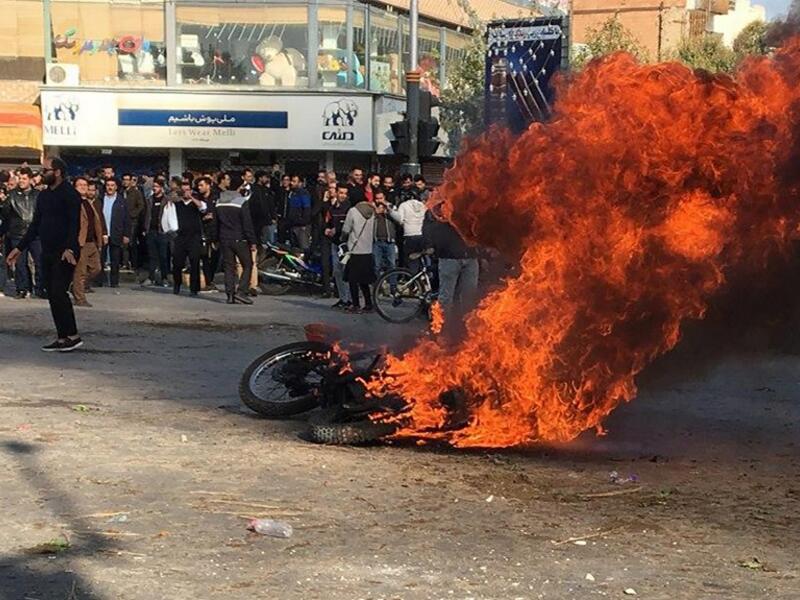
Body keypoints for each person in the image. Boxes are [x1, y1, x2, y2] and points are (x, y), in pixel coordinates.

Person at [5, 158, 83, 351]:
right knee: (51, 293)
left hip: (65, 252)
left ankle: (73, 335)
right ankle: (62, 337)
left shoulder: (69, 194)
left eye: (45, 170)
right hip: (47, 251)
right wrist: (18, 248)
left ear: (57, 172)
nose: (41, 173)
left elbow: (75, 224)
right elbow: (35, 226)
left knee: (59, 291)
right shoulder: (44, 196)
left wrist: (70, 248)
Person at [423, 201, 480, 327]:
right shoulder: (439, 209)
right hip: (449, 258)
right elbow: (429, 229)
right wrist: (432, 247)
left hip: (470, 258)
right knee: (446, 296)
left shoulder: (472, 208)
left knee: (469, 295)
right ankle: (441, 326)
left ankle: (467, 326)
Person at [0, 167, 42, 298]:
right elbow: (5, 215)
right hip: (17, 234)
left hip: (36, 234)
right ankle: (22, 289)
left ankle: (40, 288)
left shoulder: (38, 195)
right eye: (20, 178)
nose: (22, 181)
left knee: (40, 261)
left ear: (30, 179)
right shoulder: (12, 196)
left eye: (24, 178)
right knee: (20, 264)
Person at [216, 185, 257, 305]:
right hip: (239, 238)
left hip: (224, 238)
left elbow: (216, 223)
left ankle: (230, 295)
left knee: (229, 267)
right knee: (248, 264)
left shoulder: (219, 202)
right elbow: (247, 223)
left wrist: (215, 238)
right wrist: (252, 240)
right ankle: (241, 292)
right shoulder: (241, 202)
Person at [71, 177, 104, 307]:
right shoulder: (73, 202)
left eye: (85, 185)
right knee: (80, 272)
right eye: (80, 185)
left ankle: (75, 285)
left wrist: (100, 239)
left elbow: (97, 222)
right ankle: (80, 298)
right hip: (81, 242)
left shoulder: (89, 203)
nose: (83, 187)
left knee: (97, 268)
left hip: (92, 242)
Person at [341, 193, 376, 313]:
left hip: (355, 250)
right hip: (367, 250)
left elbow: (346, 229)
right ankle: (368, 304)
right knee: (364, 281)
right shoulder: (371, 212)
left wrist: (342, 237)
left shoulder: (353, 211)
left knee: (353, 280)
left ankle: (355, 305)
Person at [172, 180, 207, 296]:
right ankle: (177, 285)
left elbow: (203, 208)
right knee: (177, 263)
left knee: (195, 262)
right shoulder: (176, 205)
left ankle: (194, 288)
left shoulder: (196, 203)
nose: (186, 193)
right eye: (184, 191)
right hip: (180, 237)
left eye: (188, 190)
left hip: (194, 237)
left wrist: (192, 198)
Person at [322, 182, 351, 306]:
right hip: (335, 244)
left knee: (346, 272)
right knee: (337, 271)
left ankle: (349, 299)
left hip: (346, 245)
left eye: (345, 193)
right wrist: (327, 229)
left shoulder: (349, 208)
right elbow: (327, 221)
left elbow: (348, 225)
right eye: (341, 193)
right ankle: (343, 298)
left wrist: (336, 229)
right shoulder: (332, 208)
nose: (343, 195)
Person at [99, 179, 130, 287]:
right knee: (100, 259)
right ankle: (100, 281)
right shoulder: (101, 199)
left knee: (115, 259)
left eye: (112, 185)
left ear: (116, 187)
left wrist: (126, 234)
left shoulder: (122, 201)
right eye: (108, 185)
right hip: (103, 233)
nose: (110, 187)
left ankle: (114, 282)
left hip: (116, 233)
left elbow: (127, 219)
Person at [391, 186, 427, 273]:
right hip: (421, 234)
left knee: (411, 260)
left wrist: (390, 211)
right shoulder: (423, 206)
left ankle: (413, 280)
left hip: (409, 235)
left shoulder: (404, 205)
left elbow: (399, 218)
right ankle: (423, 277)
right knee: (422, 257)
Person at [143, 178, 171, 287]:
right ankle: (151, 277)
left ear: (162, 188)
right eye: (153, 187)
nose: (155, 189)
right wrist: (145, 228)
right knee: (152, 256)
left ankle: (164, 278)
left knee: (163, 256)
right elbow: (146, 215)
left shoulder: (166, 200)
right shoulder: (149, 200)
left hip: (162, 231)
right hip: (151, 230)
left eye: (157, 187)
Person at [196, 176, 219, 291]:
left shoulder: (216, 197)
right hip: (203, 231)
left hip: (215, 232)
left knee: (215, 257)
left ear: (208, 186)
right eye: (198, 185)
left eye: (202, 185)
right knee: (204, 257)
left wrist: (213, 216)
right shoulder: (198, 199)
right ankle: (208, 281)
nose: (199, 188)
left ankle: (212, 278)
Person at [121, 173, 145, 271]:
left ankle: (134, 264)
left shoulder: (136, 193)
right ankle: (125, 263)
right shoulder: (121, 192)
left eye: (127, 179)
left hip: (132, 221)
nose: (126, 181)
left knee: (131, 243)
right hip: (122, 220)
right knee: (123, 244)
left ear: (131, 181)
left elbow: (141, 206)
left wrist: (133, 214)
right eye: (124, 179)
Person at [372, 190, 398, 280]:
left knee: (392, 265)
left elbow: (398, 218)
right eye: (377, 199)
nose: (379, 201)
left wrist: (388, 209)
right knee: (376, 266)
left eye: (381, 198)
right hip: (377, 241)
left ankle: (393, 288)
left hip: (389, 241)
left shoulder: (391, 206)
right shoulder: (372, 207)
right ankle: (378, 287)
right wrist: (375, 212)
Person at [286, 175, 312, 251]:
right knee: (294, 248)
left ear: (300, 183)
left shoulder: (304, 194)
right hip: (293, 224)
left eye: (294, 181)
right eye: (291, 181)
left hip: (302, 226)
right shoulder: (292, 193)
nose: (291, 183)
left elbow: (307, 209)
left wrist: (304, 222)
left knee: (303, 248)